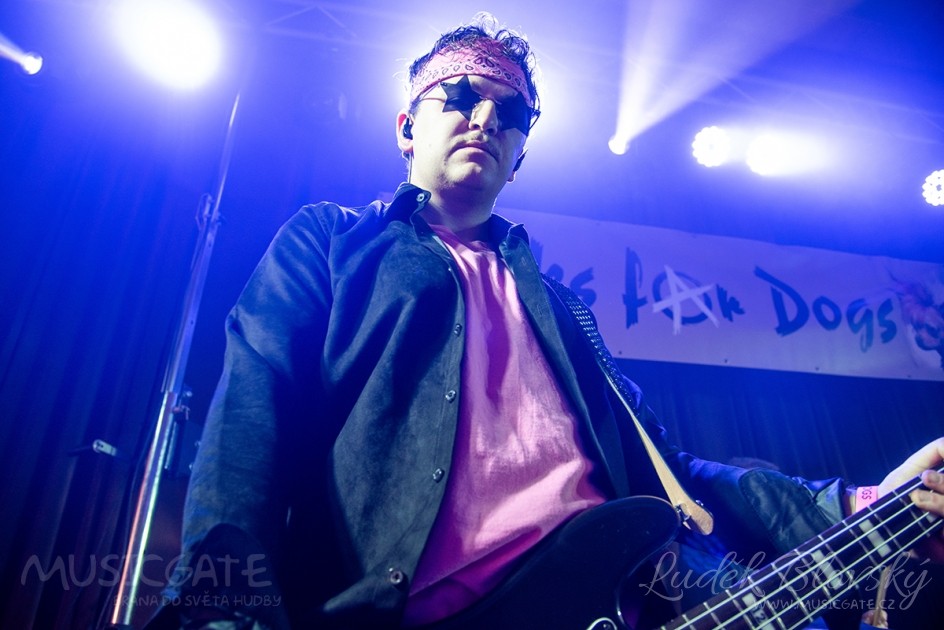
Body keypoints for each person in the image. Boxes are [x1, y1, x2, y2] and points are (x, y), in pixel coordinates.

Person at [153, 13, 944, 629]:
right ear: (406, 127)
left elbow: (675, 472)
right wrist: (224, 607)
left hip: (622, 599)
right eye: (459, 96)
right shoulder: (331, 242)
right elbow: (248, 424)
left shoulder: (562, 309)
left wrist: (860, 503)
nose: (485, 118)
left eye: (511, 113)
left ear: (521, 155)